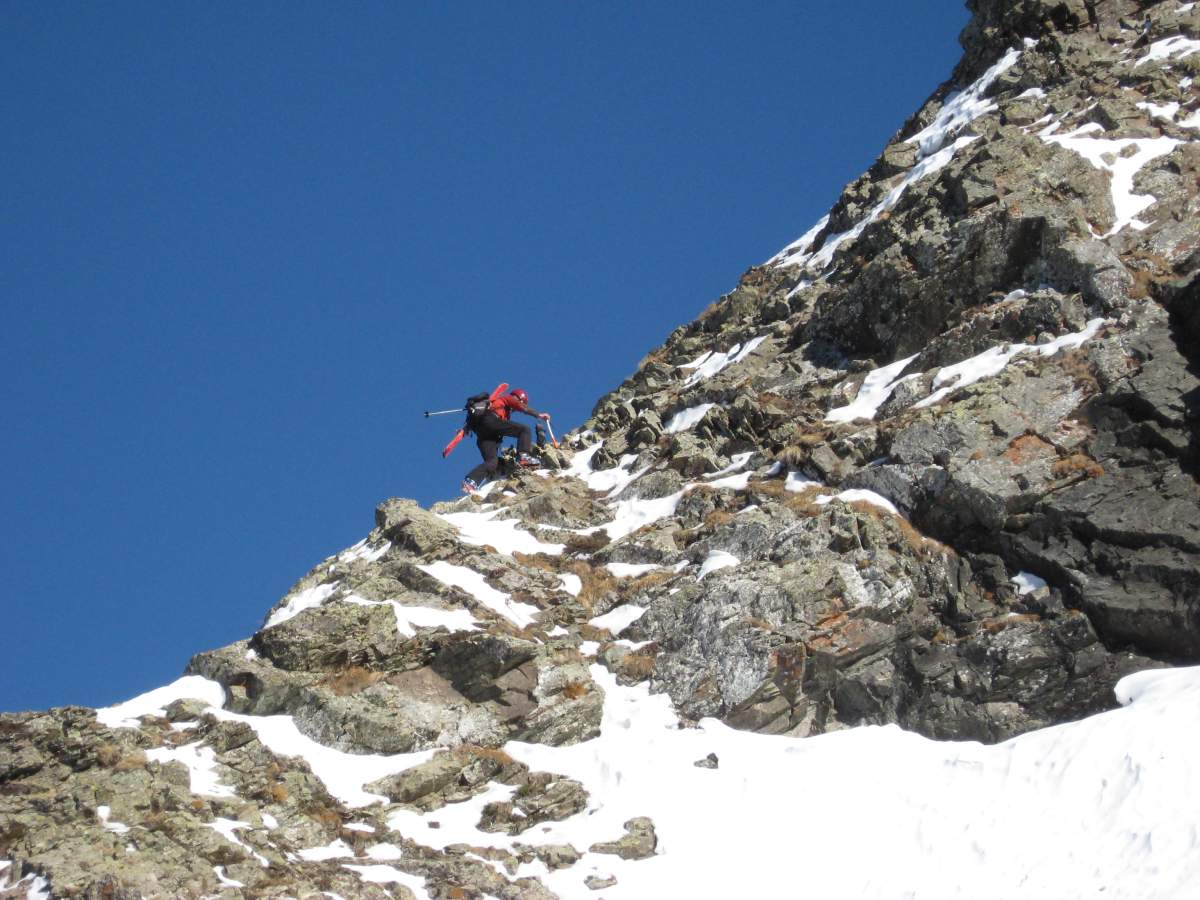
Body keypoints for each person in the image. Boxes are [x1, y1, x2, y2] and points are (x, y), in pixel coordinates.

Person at [463, 388, 551, 493]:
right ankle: (524, 456)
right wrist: (539, 415)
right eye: (521, 401)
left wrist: (466, 429)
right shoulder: (507, 398)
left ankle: (471, 481)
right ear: (518, 398)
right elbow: (522, 408)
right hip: (491, 421)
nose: (519, 404)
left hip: (483, 433)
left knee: (492, 462)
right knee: (524, 430)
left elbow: (478, 423)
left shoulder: (494, 407)